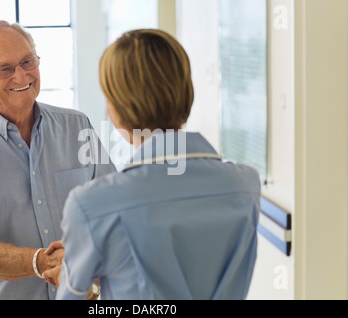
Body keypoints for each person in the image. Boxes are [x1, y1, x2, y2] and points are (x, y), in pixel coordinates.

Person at [43, 29, 261, 300]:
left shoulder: (92, 205)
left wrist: (75, 280)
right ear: (185, 90)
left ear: (116, 108)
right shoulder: (246, 185)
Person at [0, 20, 115, 300]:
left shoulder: (77, 128)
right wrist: (46, 263)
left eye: (27, 61)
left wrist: (92, 267)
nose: (21, 76)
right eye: (4, 69)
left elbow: (112, 211)